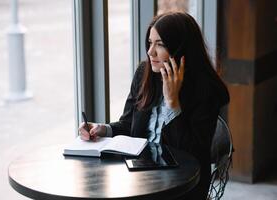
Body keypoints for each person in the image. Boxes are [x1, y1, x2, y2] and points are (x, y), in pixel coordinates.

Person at [79, 12, 230, 199]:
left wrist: (173, 103)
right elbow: (128, 125)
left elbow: (194, 154)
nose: (150, 52)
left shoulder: (205, 89)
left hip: (183, 187)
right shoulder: (145, 73)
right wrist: (103, 129)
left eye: (160, 44)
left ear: (180, 48)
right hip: (141, 176)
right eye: (150, 43)